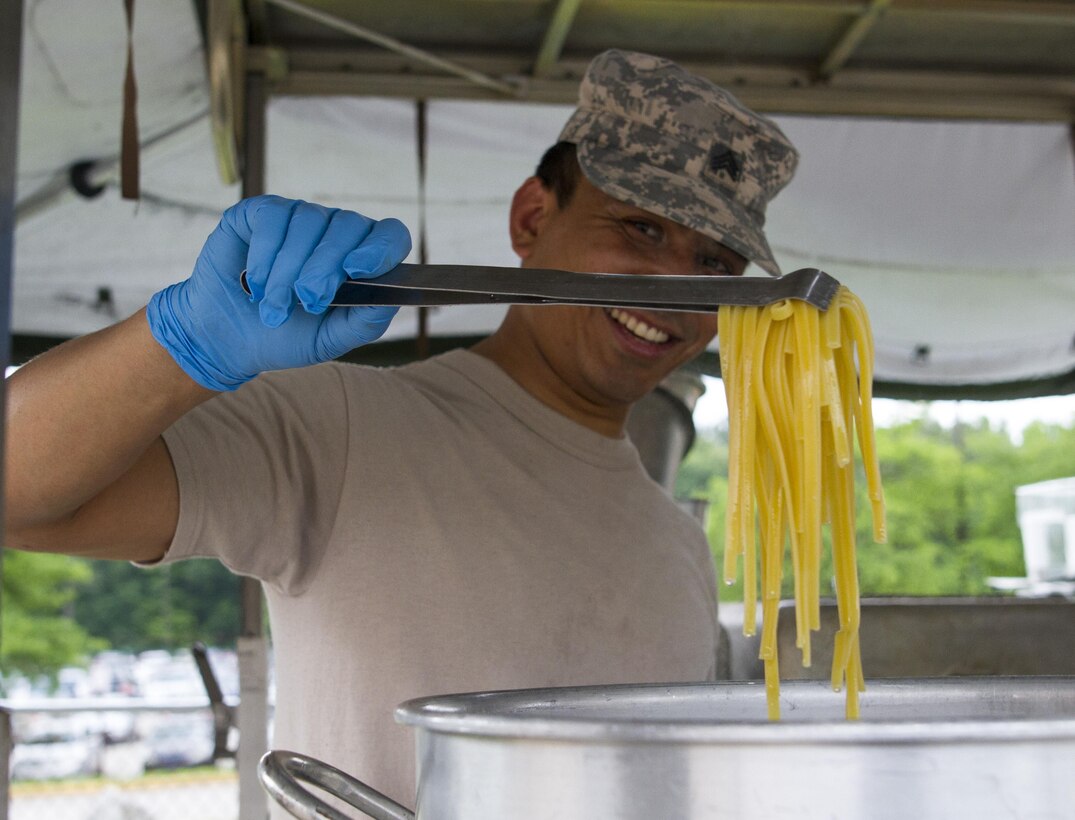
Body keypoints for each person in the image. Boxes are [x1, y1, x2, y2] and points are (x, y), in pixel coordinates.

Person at [3, 50, 798, 805]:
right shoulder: (342, 426)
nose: (673, 288)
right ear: (531, 218)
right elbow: (20, 499)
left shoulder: (677, 541)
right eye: (640, 229)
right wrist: (180, 346)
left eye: (716, 267)